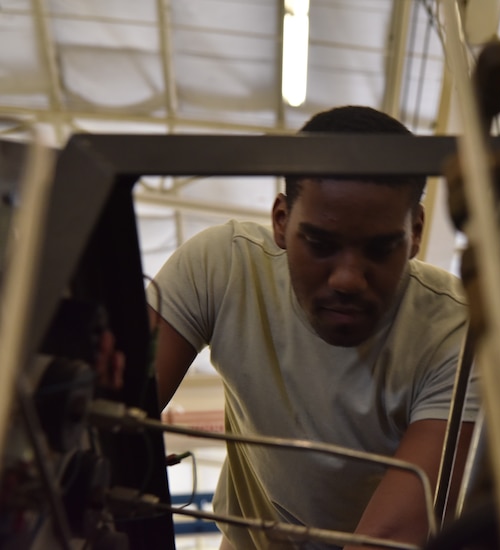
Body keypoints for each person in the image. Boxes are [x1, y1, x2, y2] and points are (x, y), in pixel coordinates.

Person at [146, 105, 479, 549]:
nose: (347, 279)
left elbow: (388, 538)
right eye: (321, 244)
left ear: (415, 231)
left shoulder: (454, 335)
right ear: (281, 221)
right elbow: (116, 406)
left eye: (380, 249)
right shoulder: (223, 267)